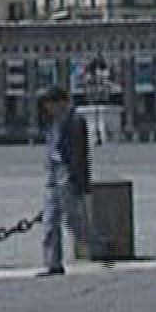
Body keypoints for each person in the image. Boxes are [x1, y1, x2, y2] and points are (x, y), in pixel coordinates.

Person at [35, 86, 108, 275]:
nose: (48, 108)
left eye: (50, 104)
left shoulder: (75, 120)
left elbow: (80, 154)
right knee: (50, 220)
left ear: (60, 102)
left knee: (74, 222)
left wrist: (79, 181)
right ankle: (53, 264)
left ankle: (102, 248)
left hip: (67, 174)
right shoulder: (51, 121)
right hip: (54, 173)